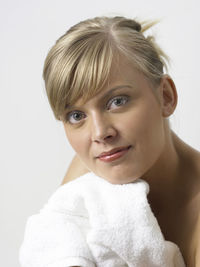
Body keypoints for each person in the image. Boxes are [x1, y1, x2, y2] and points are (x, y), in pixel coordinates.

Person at [20, 16, 200, 266]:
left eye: (117, 101)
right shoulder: (93, 170)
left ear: (166, 96)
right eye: (76, 116)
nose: (99, 133)